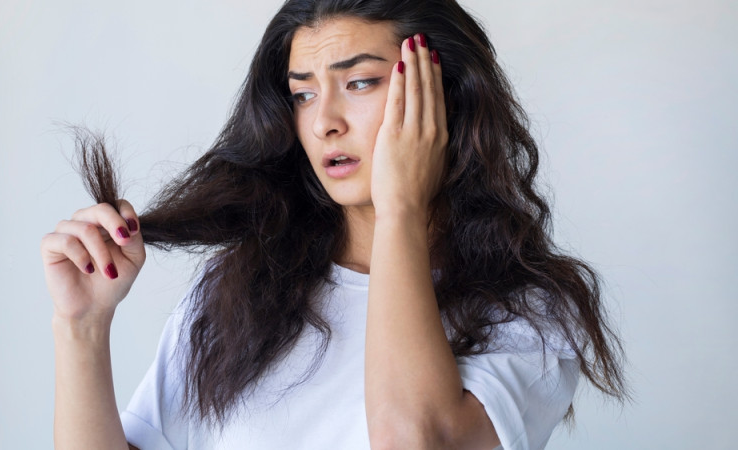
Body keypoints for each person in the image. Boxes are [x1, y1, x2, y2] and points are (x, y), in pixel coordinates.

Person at [41, 0, 627, 448]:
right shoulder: (239, 290)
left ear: (447, 96)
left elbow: (412, 441)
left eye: (360, 82)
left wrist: (401, 208)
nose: (324, 122)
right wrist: (82, 328)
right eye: (302, 94)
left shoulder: (529, 312)